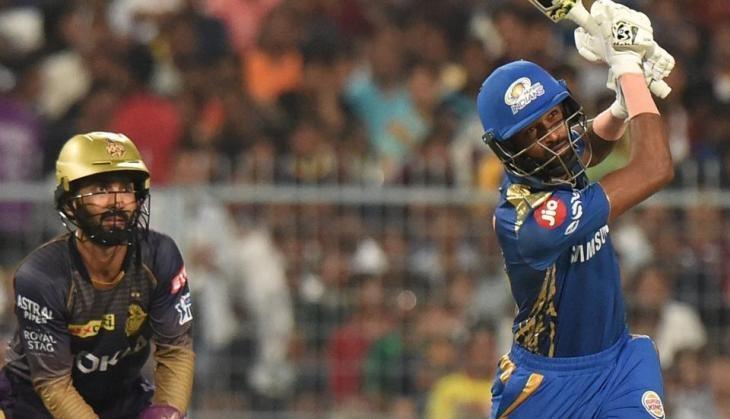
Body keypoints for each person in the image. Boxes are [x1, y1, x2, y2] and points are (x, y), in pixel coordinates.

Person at [477, 1, 674, 418]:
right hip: (546, 385)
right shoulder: (532, 220)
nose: (553, 136)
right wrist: (627, 67)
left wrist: (621, 106)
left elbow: (587, 145)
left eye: (553, 118)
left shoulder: (550, 160)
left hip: (620, 363)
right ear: (509, 149)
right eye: (533, 132)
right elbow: (654, 167)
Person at [0, 132, 194, 418]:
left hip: (119, 399)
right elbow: (54, 384)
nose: (117, 202)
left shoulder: (160, 256)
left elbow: (175, 349)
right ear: (70, 202)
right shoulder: (42, 275)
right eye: (101, 189)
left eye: (125, 189)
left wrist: (169, 411)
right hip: (33, 405)